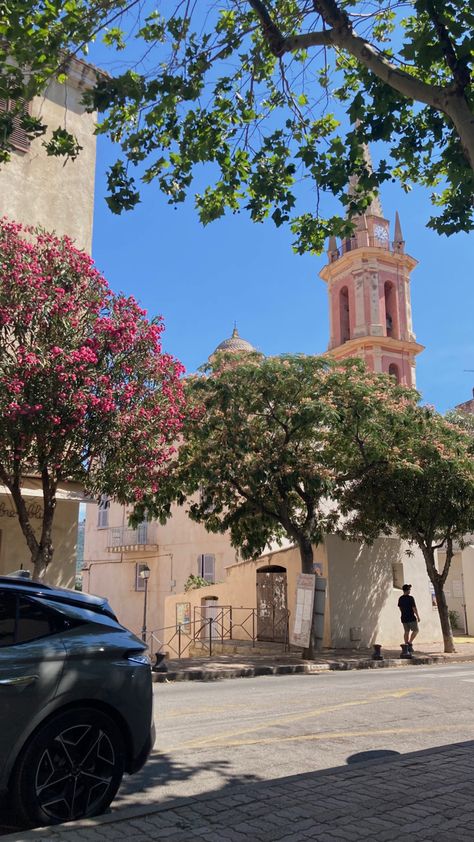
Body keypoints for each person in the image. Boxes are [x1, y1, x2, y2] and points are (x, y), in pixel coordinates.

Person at [398, 584, 420, 652]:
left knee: (406, 631)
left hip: (404, 617)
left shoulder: (400, 598)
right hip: (411, 617)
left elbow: (400, 608)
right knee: (416, 630)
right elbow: (414, 608)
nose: (410, 590)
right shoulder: (411, 598)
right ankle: (409, 642)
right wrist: (418, 616)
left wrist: (403, 613)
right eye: (409, 589)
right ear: (407, 590)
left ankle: (406, 645)